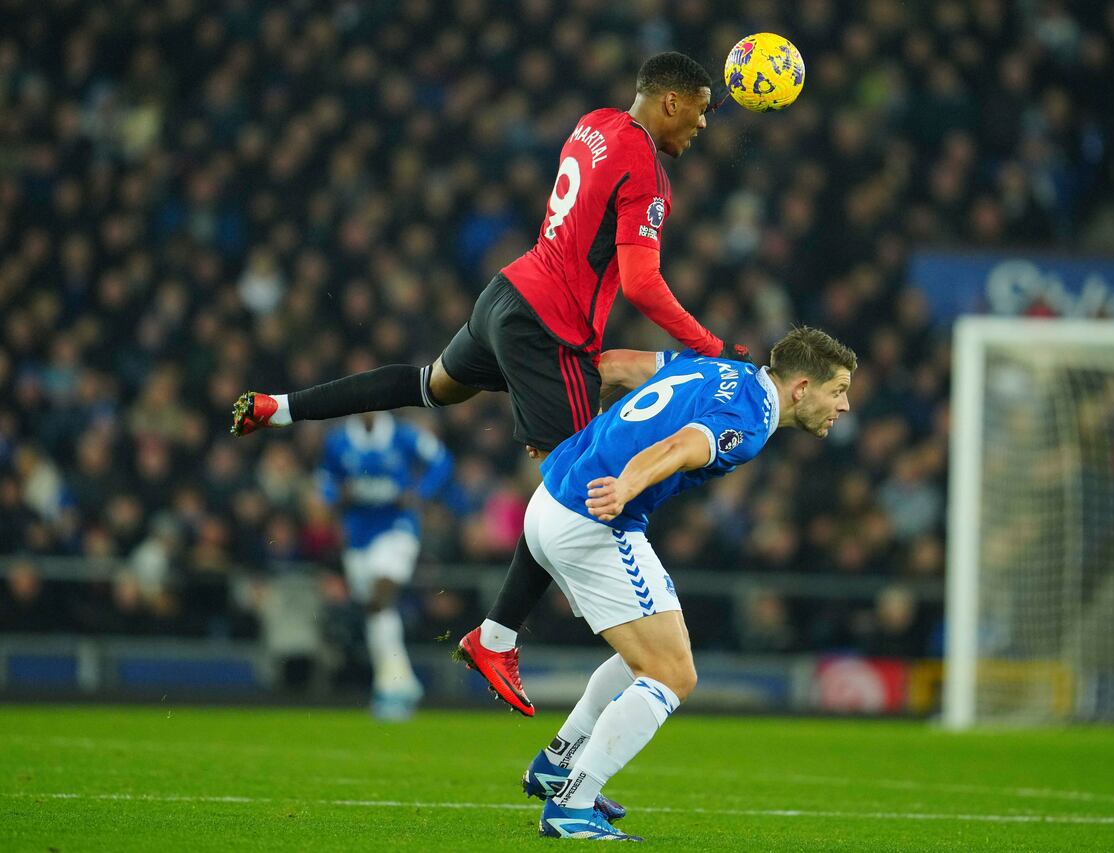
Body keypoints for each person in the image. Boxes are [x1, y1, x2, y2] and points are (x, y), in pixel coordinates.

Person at [230, 52, 748, 718]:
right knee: (573, 490)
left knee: (431, 386)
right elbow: (642, 283)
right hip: (551, 329)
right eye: (701, 110)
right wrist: (713, 348)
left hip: (505, 295)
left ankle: (278, 407)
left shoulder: (595, 123)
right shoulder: (646, 170)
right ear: (671, 101)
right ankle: (496, 638)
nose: (704, 125)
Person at [517, 326, 855, 840]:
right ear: (802, 388)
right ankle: (572, 805)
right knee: (672, 674)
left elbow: (613, 365)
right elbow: (680, 446)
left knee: (648, 656)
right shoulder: (750, 420)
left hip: (549, 500)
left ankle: (558, 763)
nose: (844, 405)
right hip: (596, 515)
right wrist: (624, 484)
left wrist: (566, 431)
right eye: (838, 391)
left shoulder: (720, 367)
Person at [317, 411, 458, 720]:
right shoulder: (338, 441)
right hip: (357, 535)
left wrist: (420, 493)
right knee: (376, 612)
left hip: (397, 528)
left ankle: (394, 684)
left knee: (381, 596)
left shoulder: (403, 435)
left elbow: (442, 460)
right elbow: (326, 479)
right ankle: (398, 683)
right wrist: (335, 498)